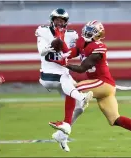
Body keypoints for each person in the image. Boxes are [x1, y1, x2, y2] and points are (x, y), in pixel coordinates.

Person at [49, 20, 131, 152]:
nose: (86, 32)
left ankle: (65, 124)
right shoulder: (82, 42)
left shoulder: (99, 47)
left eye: (90, 30)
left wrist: (64, 64)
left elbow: (82, 68)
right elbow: (73, 52)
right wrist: (62, 52)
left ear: (97, 34)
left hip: (103, 83)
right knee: (115, 119)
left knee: (73, 90)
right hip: (103, 87)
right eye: (87, 29)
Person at [35, 8, 94, 151]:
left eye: (62, 20)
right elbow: (41, 50)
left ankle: (62, 134)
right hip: (47, 75)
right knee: (68, 80)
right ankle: (80, 96)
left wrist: (88, 57)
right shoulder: (43, 31)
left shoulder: (71, 34)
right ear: (52, 20)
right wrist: (53, 45)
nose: (59, 22)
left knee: (80, 108)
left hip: (64, 77)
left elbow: (76, 51)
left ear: (66, 22)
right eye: (57, 20)